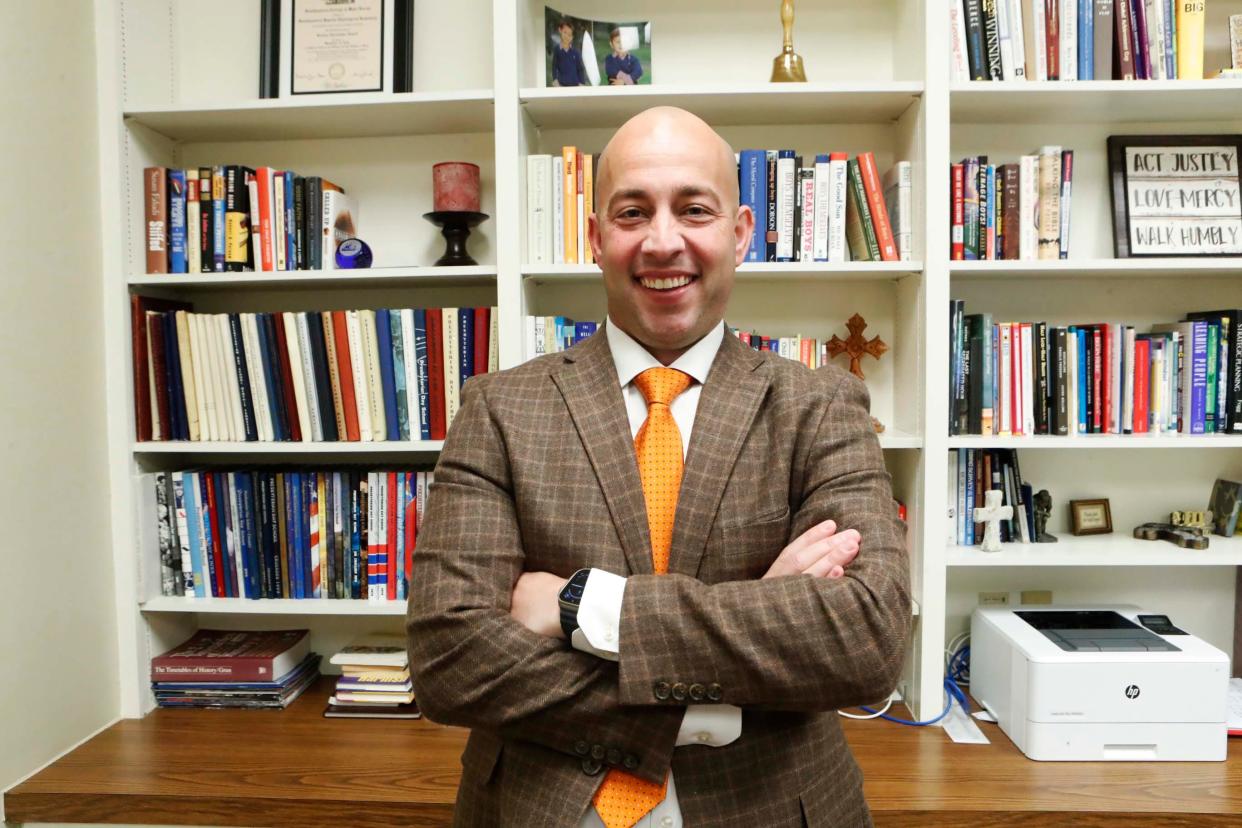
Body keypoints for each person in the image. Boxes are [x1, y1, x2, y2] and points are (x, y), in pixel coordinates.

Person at [407, 107, 911, 827]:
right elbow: (449, 661)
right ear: (595, 238)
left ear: (739, 233)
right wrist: (710, 698)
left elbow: (868, 637)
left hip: (773, 807)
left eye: (694, 209)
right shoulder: (498, 407)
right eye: (633, 211)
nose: (663, 240)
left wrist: (584, 606)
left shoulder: (820, 404)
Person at [551, 18, 588, 87]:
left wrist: (582, 83)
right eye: (565, 32)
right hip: (561, 85)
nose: (567, 36)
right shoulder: (557, 50)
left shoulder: (575, 52)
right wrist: (555, 80)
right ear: (560, 30)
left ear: (572, 37)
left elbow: (580, 69)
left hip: (575, 86)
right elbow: (554, 66)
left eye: (569, 35)